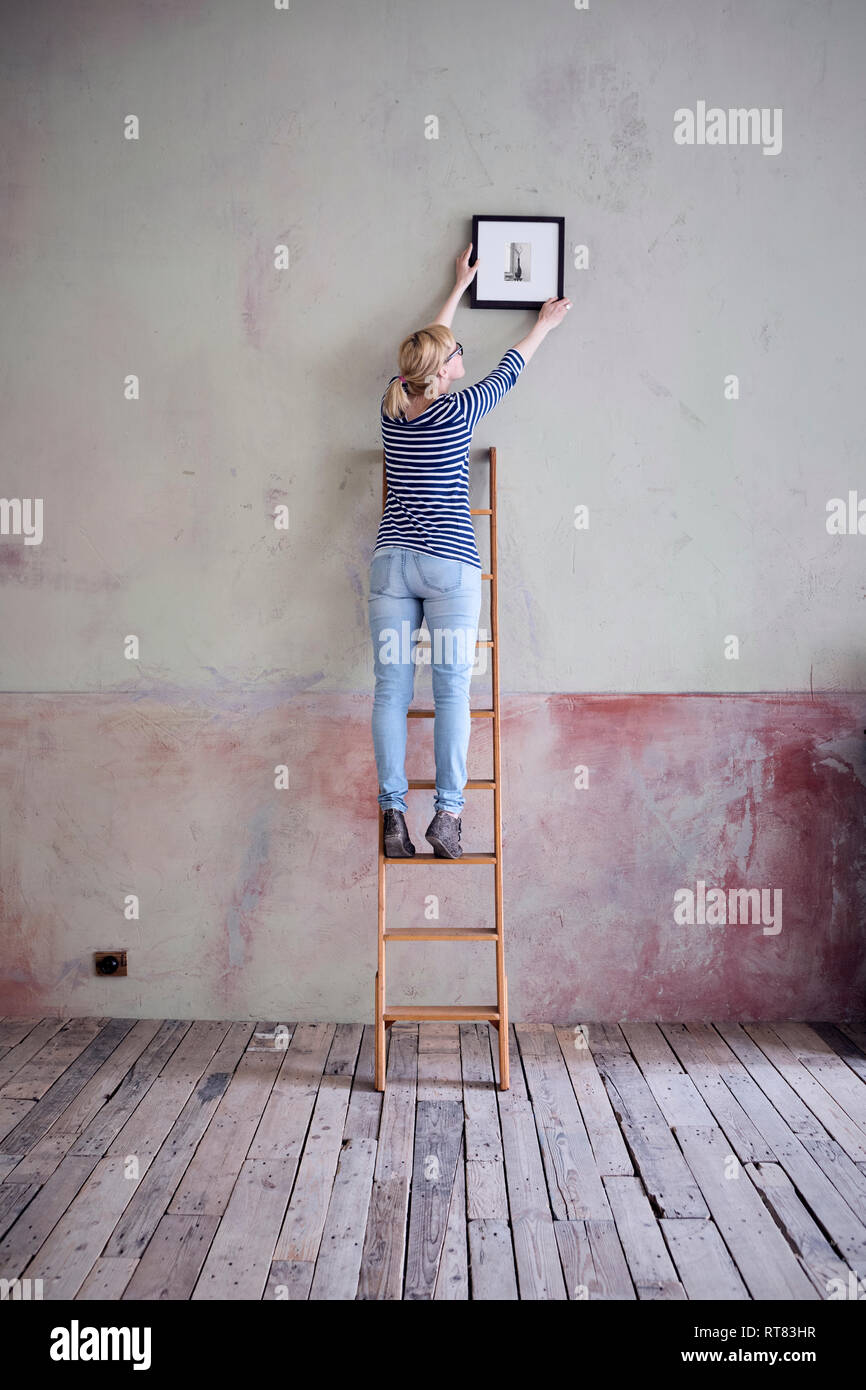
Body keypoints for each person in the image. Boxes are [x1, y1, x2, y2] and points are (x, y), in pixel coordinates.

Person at [369, 242, 571, 858]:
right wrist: (542, 325)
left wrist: (458, 288)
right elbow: (512, 366)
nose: (464, 356)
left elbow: (430, 346)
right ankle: (448, 816)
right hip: (449, 568)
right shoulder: (459, 409)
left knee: (390, 693)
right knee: (452, 690)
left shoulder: (393, 405)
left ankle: (393, 814)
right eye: (458, 354)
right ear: (446, 370)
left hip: (389, 567)